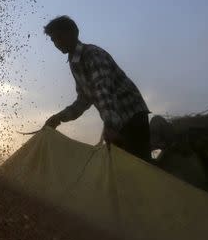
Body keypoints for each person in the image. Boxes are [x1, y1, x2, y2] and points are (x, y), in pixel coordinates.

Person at [43, 16, 151, 161]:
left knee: (138, 167)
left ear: (73, 33)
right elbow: (84, 99)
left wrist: (110, 126)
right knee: (123, 168)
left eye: (59, 37)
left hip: (131, 115)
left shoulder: (91, 54)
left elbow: (103, 89)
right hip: (116, 119)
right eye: (53, 40)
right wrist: (59, 118)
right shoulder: (75, 63)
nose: (57, 43)